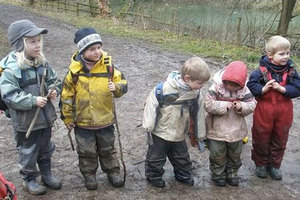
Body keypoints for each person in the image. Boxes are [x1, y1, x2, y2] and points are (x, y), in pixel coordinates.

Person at [60, 27, 128, 190]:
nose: (97, 52)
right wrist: (67, 118)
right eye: (92, 49)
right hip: (83, 122)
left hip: (105, 120)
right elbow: (66, 96)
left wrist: (117, 87)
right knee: (86, 151)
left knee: (108, 148)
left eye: (99, 47)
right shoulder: (74, 72)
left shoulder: (109, 67)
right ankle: (89, 175)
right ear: (82, 51)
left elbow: (124, 84)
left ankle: (112, 171)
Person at [0, 19, 62, 196]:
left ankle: (46, 174)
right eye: (32, 41)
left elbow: (54, 80)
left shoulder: (42, 62)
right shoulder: (9, 68)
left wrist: (53, 90)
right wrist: (33, 100)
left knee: (45, 147)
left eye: (39, 41)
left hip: (44, 117)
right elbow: (10, 95)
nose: (38, 45)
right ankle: (29, 179)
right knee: (28, 150)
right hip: (25, 121)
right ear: (20, 43)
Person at [143, 57, 210, 188]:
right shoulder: (164, 89)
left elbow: (199, 115)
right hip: (160, 131)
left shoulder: (196, 94)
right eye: (200, 83)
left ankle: (183, 174)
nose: (202, 86)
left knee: (182, 157)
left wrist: (200, 135)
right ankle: (154, 175)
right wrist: (148, 126)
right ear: (187, 78)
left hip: (180, 131)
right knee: (156, 157)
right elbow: (151, 105)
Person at [247, 35, 300, 180]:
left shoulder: (291, 71)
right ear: (270, 55)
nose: (286, 57)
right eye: (281, 54)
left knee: (280, 138)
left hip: (284, 111)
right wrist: (263, 89)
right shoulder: (260, 71)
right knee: (261, 137)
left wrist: (283, 90)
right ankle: (261, 164)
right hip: (264, 110)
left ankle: (275, 165)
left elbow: (298, 88)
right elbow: (251, 86)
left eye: (288, 53)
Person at [204, 61, 256, 187]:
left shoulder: (244, 90)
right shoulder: (216, 88)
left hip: (236, 129)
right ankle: (218, 174)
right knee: (217, 153)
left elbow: (252, 104)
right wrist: (223, 105)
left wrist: (241, 106)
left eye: (235, 85)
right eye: (229, 84)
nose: (231, 87)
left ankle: (232, 172)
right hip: (217, 128)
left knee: (235, 153)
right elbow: (207, 103)